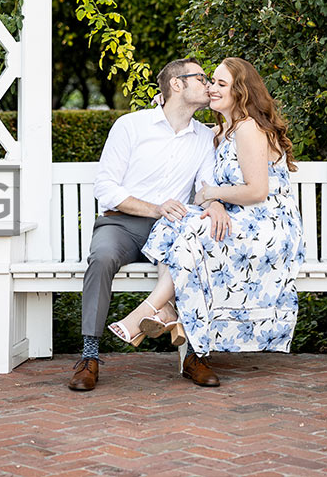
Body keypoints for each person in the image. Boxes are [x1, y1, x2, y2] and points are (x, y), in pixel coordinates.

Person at [118, 56, 305, 387]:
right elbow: (179, 118)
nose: (211, 88)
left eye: (220, 83)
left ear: (241, 90)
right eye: (209, 82)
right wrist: (163, 101)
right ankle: (166, 312)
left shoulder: (248, 128)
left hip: (267, 226)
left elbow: (258, 191)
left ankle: (149, 310)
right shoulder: (222, 131)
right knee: (174, 216)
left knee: (193, 226)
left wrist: (211, 193)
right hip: (240, 219)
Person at [67, 57, 231, 392]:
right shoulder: (131, 126)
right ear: (176, 84)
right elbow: (107, 189)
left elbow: (204, 187)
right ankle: (89, 357)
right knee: (101, 258)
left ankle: (195, 356)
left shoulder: (203, 137)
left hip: (171, 230)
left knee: (198, 252)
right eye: (200, 77)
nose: (208, 84)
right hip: (123, 225)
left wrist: (214, 203)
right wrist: (154, 208)